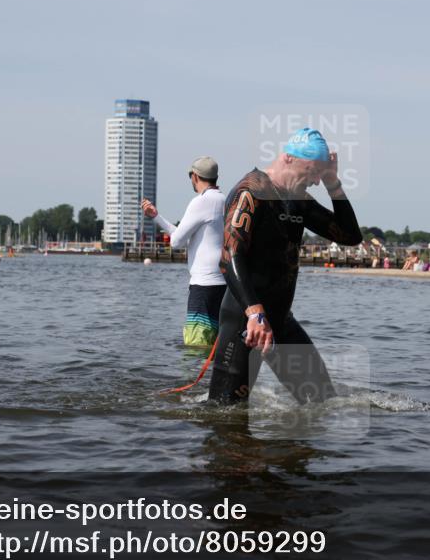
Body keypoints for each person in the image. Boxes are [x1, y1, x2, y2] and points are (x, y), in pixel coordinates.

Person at [208, 128, 361, 404]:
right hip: (246, 322)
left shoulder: (298, 199)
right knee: (225, 416)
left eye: (318, 175)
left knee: (323, 402)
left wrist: (332, 183)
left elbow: (350, 236)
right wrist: (255, 313)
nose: (314, 182)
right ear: (289, 158)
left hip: (280, 320)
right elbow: (230, 255)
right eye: (311, 172)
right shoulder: (253, 191)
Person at [142, 156, 226, 347]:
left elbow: (177, 242)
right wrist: (157, 217)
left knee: (197, 345)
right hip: (224, 285)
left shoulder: (200, 202)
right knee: (216, 346)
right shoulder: (224, 200)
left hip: (203, 285)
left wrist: (157, 219)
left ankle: (194, 378)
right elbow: (184, 237)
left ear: (195, 176)